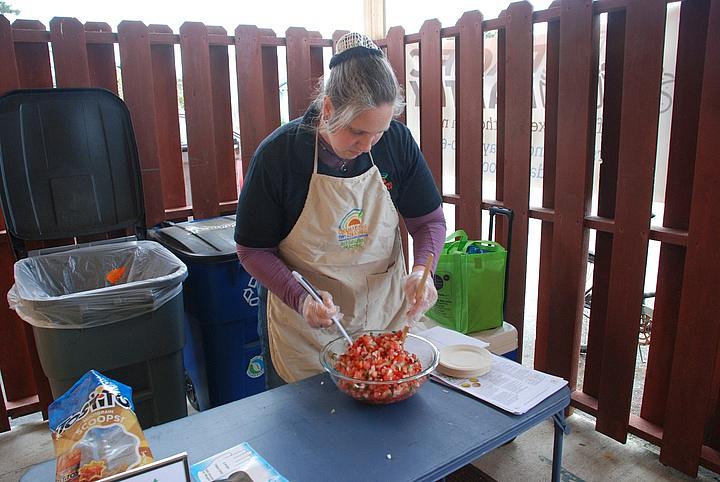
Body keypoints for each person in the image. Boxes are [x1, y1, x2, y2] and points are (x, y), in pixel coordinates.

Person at [235, 32, 446, 388]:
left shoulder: (396, 141)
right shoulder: (279, 156)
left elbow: (429, 222)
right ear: (328, 108)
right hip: (305, 331)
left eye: (378, 133)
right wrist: (301, 300)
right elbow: (252, 250)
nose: (367, 146)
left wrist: (423, 269)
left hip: (384, 317)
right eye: (356, 132)